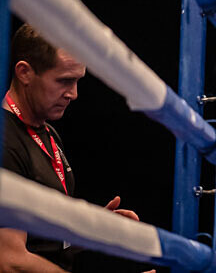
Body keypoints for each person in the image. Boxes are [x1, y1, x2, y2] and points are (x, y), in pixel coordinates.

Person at [0, 23, 148, 272]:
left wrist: (96, 229)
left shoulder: (46, 133)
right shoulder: (5, 143)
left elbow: (46, 243)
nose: (74, 94)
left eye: (78, 81)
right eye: (64, 81)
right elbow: (10, 260)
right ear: (25, 72)